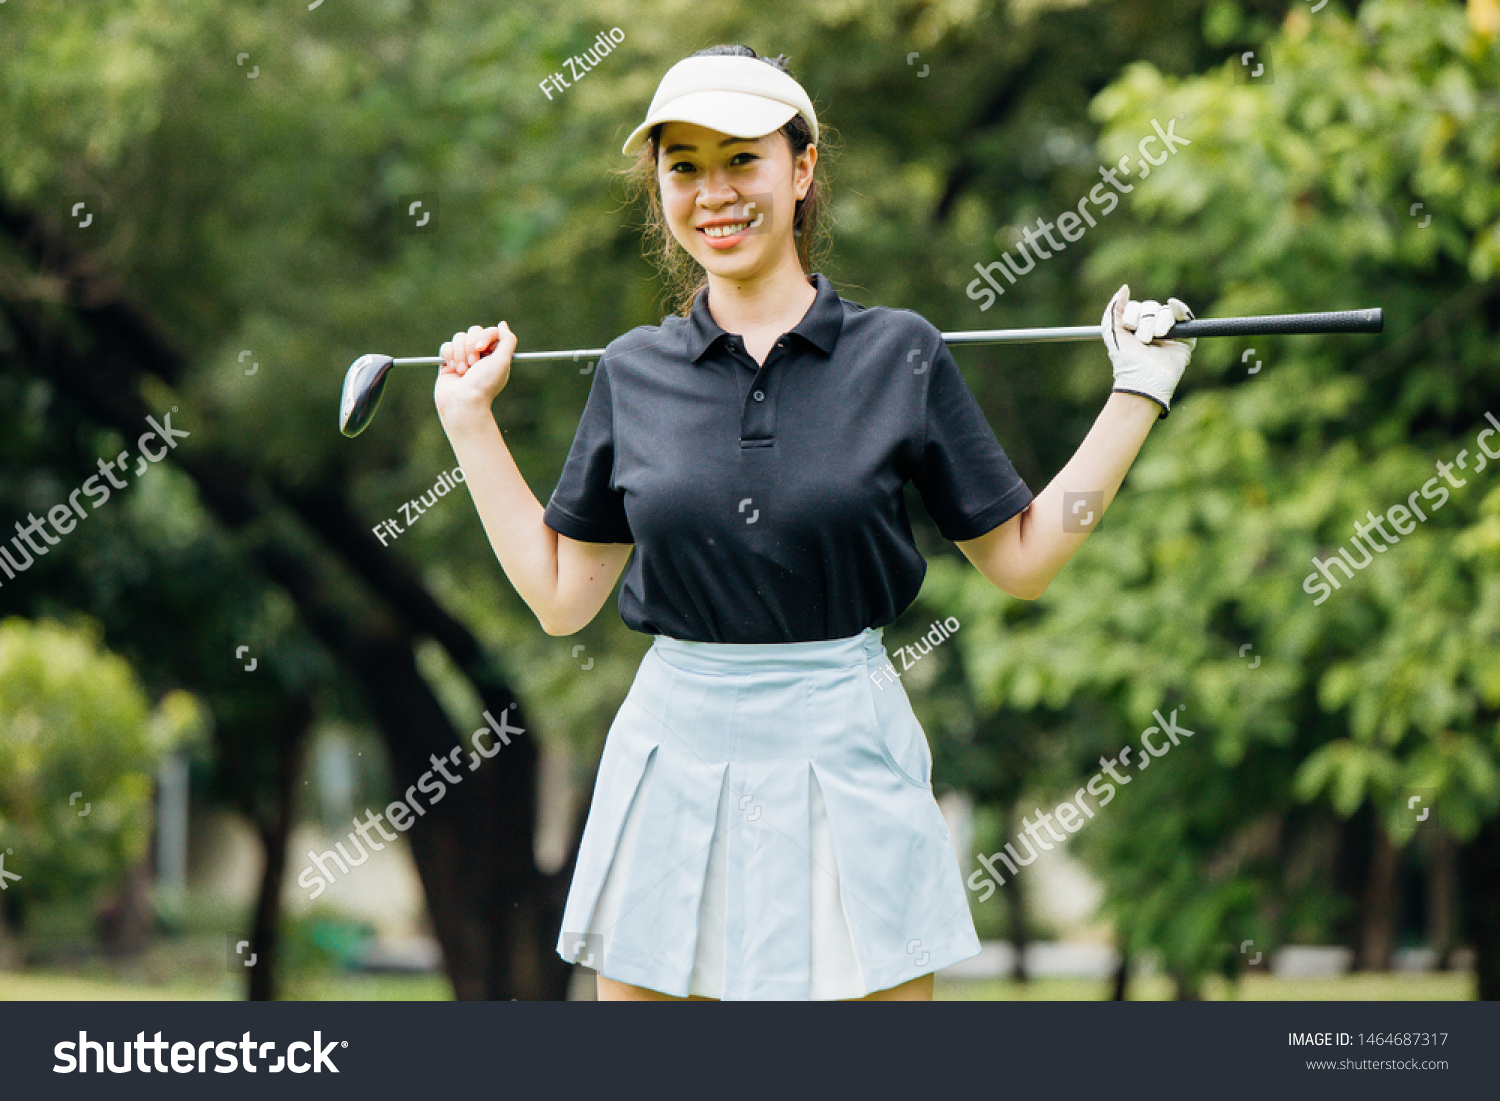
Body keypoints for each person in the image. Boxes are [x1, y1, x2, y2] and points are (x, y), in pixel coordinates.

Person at [434, 45, 1193, 1001]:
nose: (714, 191)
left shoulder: (900, 355)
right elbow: (557, 597)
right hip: (674, 745)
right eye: (684, 166)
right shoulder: (632, 371)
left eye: (741, 158)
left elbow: (1026, 558)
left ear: (801, 170)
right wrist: (469, 422)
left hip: (846, 740)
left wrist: (1135, 393)